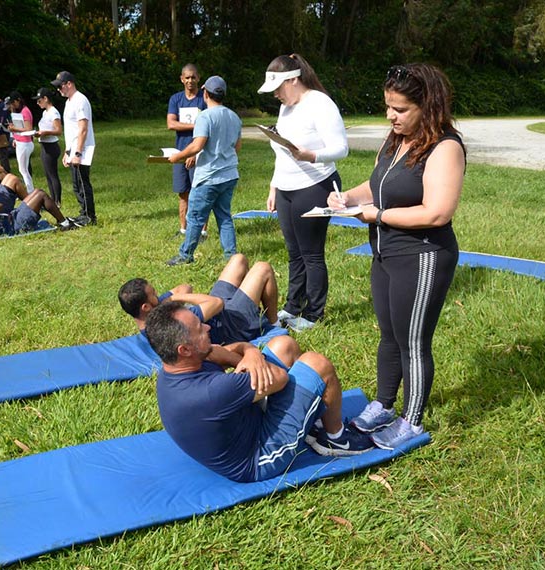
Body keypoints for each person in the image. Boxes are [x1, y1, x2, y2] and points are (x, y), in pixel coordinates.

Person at [327, 63, 465, 449]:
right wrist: (349, 198)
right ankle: (384, 404)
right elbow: (377, 186)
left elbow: (438, 211)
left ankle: (412, 420)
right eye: (388, 107)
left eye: (400, 109)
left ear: (428, 105)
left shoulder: (444, 147)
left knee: (413, 340)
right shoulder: (394, 141)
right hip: (385, 253)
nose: (391, 116)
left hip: (422, 255)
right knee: (389, 335)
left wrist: (378, 215)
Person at [146, 302, 374, 482]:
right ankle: (335, 439)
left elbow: (230, 350)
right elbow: (279, 379)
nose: (207, 327)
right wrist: (248, 355)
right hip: (258, 458)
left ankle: (309, 421)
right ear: (184, 349)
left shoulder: (179, 365)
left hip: (245, 422)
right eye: (199, 329)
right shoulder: (209, 392)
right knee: (317, 364)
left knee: (284, 345)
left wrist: (251, 353)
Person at [258, 54, 349, 332]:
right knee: (293, 252)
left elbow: (341, 148)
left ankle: (313, 314)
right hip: (286, 188)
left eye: (278, 88)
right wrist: (274, 186)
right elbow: (282, 150)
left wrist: (310, 156)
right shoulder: (286, 106)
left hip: (315, 186)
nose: (275, 95)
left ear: (294, 79)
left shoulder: (320, 103)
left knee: (311, 254)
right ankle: (293, 306)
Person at [118, 254, 281, 344]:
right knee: (262, 268)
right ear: (145, 307)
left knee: (238, 260)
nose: (158, 295)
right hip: (232, 326)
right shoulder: (166, 323)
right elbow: (217, 303)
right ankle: (274, 324)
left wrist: (166, 301)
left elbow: (186, 287)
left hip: (217, 313)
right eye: (153, 294)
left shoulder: (153, 310)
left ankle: (253, 305)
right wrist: (174, 298)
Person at [167, 75, 241, 266]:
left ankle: (185, 255)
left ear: (205, 93)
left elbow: (197, 145)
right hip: (229, 175)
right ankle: (231, 257)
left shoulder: (205, 116)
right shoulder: (234, 117)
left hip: (209, 176)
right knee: (224, 216)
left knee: (195, 217)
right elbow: (237, 147)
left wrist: (178, 156)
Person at [167, 63, 207, 237]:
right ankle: (183, 229)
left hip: (200, 153)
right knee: (183, 193)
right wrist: (195, 124)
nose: (190, 80)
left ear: (198, 78)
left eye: (193, 77)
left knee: (200, 194)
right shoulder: (175, 99)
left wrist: (196, 153)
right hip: (180, 152)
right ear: (182, 79)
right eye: (187, 77)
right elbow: (171, 124)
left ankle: (203, 232)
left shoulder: (204, 100)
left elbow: (208, 129)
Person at [52, 71, 96, 226]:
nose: (59, 90)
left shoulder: (80, 100)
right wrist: (67, 152)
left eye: (60, 86)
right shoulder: (69, 102)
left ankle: (90, 217)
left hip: (82, 149)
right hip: (73, 148)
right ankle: (83, 213)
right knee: (76, 185)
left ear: (69, 84)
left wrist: (77, 152)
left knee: (83, 184)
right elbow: (71, 130)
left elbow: (83, 129)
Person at [0, 187, 77, 238]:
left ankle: (62, 221)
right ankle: (65, 223)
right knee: (41, 195)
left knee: (37, 191)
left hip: (13, 216)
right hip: (17, 225)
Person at [33, 88, 63, 207]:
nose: (37, 103)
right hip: (44, 145)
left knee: (53, 174)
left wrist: (45, 133)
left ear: (46, 99)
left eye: (39, 100)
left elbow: (58, 131)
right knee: (48, 174)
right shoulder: (45, 112)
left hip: (51, 146)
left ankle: (57, 201)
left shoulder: (53, 112)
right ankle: (52, 200)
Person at [6, 91, 36, 197]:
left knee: (23, 170)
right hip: (20, 142)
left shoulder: (25, 111)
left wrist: (14, 129)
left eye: (13, 102)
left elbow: (28, 129)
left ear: (18, 100)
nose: (12, 105)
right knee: (23, 169)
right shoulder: (20, 111)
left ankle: (30, 192)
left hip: (25, 144)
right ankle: (29, 191)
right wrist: (15, 137)